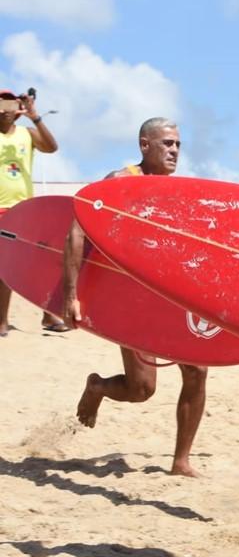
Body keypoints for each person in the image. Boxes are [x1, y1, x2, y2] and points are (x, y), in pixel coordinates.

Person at [62, 117, 208, 477]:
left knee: (198, 370)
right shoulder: (119, 183)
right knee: (142, 390)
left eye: (177, 144)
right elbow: (76, 234)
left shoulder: (177, 192)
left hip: (167, 296)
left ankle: (180, 461)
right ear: (145, 145)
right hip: (130, 297)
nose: (174, 150)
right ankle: (97, 387)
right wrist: (71, 295)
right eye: (167, 144)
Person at [0, 87, 64, 337]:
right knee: (5, 265)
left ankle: (48, 314)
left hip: (25, 209)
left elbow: (52, 147)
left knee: (39, 262)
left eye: (10, 103)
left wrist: (34, 115)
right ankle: (2, 321)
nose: (6, 108)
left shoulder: (27, 134)